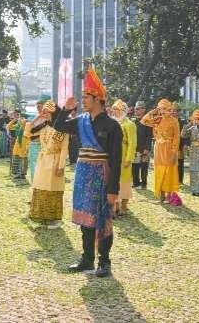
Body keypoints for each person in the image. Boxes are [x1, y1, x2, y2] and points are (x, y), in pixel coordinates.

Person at [54, 68, 122, 278]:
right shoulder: (81, 120)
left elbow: (116, 160)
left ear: (98, 99)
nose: (83, 100)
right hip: (83, 173)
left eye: (86, 97)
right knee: (85, 219)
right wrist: (66, 110)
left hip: (102, 175)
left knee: (102, 219)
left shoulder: (112, 125)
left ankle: (104, 261)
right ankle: (86, 259)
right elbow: (59, 127)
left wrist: (113, 189)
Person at [27, 101, 69, 228]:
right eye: (43, 112)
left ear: (54, 113)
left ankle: (53, 219)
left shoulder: (62, 129)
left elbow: (64, 149)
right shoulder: (44, 127)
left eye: (47, 112)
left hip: (55, 162)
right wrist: (37, 118)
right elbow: (27, 133)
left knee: (52, 189)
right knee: (40, 188)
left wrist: (61, 166)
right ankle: (40, 217)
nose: (44, 114)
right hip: (42, 161)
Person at [141, 99, 180, 203]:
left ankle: (168, 196)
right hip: (158, 148)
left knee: (168, 172)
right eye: (160, 109)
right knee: (159, 172)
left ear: (169, 109)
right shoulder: (157, 119)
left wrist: (174, 152)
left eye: (164, 108)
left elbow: (177, 137)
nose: (162, 111)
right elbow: (143, 121)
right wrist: (152, 112)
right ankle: (161, 195)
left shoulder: (174, 121)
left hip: (169, 149)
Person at [111, 99, 137, 216]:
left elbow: (133, 143)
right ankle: (115, 205)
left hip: (124, 154)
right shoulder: (112, 123)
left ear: (123, 110)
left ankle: (124, 206)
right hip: (113, 156)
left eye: (117, 109)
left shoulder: (129, 124)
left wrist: (128, 159)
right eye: (114, 109)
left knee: (125, 181)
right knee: (113, 181)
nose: (115, 112)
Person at [181, 109, 199, 196]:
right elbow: (183, 135)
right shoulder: (192, 128)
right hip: (193, 153)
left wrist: (196, 143)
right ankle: (194, 189)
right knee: (193, 171)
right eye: (194, 119)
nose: (196, 121)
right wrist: (188, 124)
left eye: (198, 119)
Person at [25, 95, 49, 182]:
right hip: (34, 146)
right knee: (35, 170)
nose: (38, 106)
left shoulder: (52, 119)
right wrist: (38, 117)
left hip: (47, 148)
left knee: (46, 171)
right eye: (37, 104)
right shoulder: (32, 118)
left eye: (41, 104)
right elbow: (27, 133)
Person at [132, 101, 152, 189]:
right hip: (135, 147)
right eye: (135, 108)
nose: (135, 110)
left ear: (143, 110)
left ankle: (144, 184)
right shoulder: (133, 120)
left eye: (138, 108)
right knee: (135, 166)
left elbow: (149, 136)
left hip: (144, 148)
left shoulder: (148, 120)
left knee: (144, 166)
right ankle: (136, 183)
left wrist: (147, 148)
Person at [7, 110, 29, 179]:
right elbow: (8, 126)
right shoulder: (18, 125)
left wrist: (23, 121)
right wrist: (14, 120)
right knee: (16, 156)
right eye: (20, 117)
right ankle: (16, 173)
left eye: (21, 117)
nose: (20, 119)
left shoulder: (27, 126)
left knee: (23, 158)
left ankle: (22, 174)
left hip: (24, 142)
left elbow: (24, 126)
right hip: (18, 142)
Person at [172, 103, 187, 184]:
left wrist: (185, 145)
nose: (173, 112)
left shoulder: (183, 122)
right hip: (170, 146)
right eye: (172, 111)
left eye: (175, 111)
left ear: (179, 112)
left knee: (180, 163)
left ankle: (180, 180)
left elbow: (186, 135)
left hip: (180, 145)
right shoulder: (169, 121)